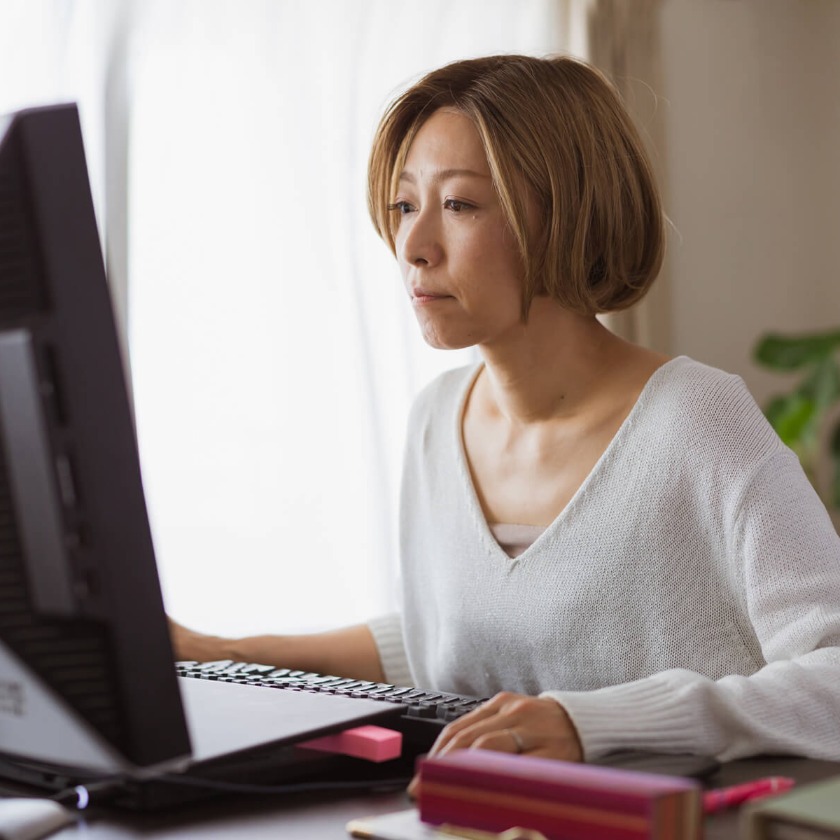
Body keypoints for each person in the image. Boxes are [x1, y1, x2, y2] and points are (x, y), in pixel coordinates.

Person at [171, 54, 840, 770]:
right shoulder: (436, 421)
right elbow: (448, 646)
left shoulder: (695, 420)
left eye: (458, 205)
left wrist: (595, 722)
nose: (414, 247)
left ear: (565, 212)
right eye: (404, 206)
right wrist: (221, 654)